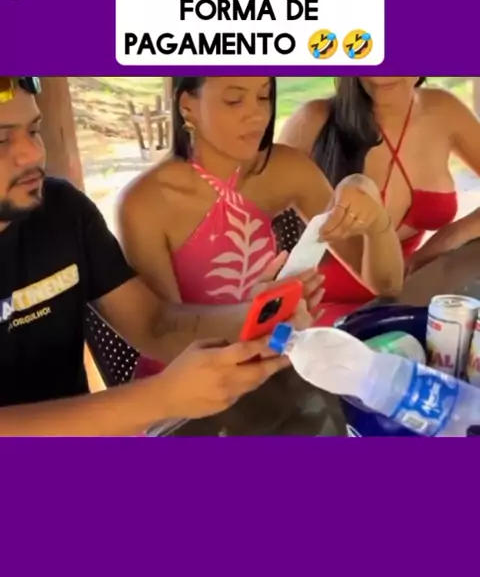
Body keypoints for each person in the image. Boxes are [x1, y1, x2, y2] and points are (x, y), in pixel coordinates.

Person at [0, 77, 299, 436]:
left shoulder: (62, 211)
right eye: (2, 140)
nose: (33, 154)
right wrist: (161, 397)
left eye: (33, 131)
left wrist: (256, 315)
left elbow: (153, 324)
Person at [117, 76, 404, 375]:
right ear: (187, 106)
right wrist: (257, 316)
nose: (256, 115)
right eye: (234, 100)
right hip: (184, 383)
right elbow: (167, 338)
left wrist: (369, 205)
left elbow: (388, 284)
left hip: (269, 362)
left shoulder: (284, 170)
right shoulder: (144, 204)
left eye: (264, 97)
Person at [278, 76, 480, 320]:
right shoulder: (313, 121)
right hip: (317, 308)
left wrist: (449, 237)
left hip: (406, 297)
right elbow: (258, 224)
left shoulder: (444, 111)